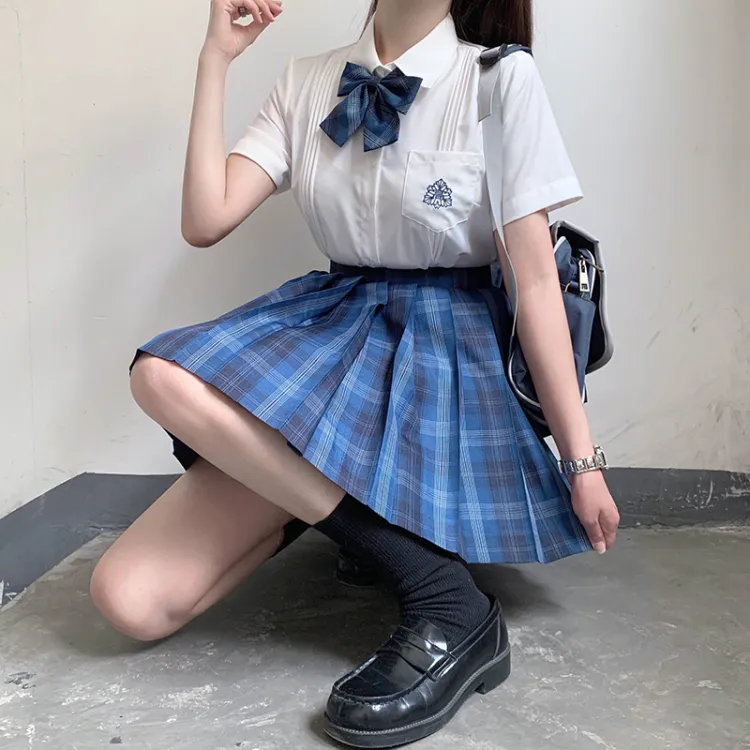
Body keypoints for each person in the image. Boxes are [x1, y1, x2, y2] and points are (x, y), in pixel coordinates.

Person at [90, 0, 620, 746]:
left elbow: (533, 285)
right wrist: (216, 60)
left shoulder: (498, 79)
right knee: (129, 599)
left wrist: (581, 460)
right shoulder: (306, 80)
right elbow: (205, 220)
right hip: (335, 332)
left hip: (443, 359)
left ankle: (446, 597)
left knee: (162, 383)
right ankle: (361, 527)